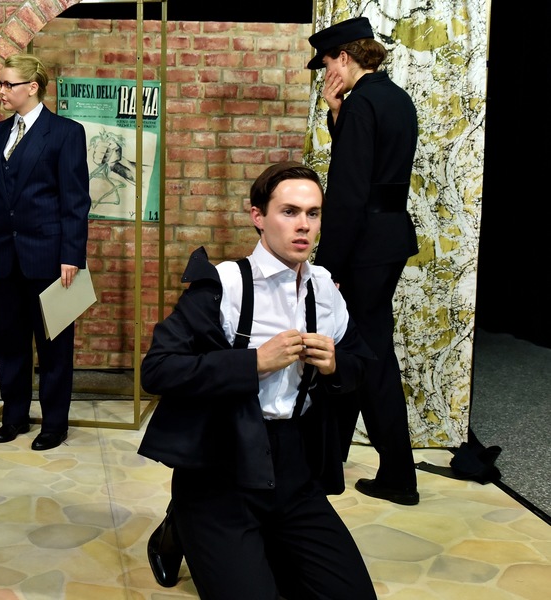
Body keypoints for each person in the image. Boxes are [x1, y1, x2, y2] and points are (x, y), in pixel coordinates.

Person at [138, 162, 377, 599]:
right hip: (219, 467)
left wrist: (336, 364)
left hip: (293, 469)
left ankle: (246, 536)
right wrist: (253, 363)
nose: (304, 225)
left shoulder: (325, 289)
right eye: (289, 212)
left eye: (313, 213)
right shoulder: (223, 285)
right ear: (258, 216)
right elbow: (158, 369)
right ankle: (183, 522)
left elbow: (363, 363)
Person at [307, 17, 420, 505]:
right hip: (389, 240)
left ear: (344, 56)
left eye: (326, 63)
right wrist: (337, 113)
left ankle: (398, 475)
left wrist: (328, 267)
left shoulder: (362, 104)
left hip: (364, 248)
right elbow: (373, 168)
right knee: (357, 347)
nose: (326, 73)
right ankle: (330, 459)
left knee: (369, 357)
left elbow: (349, 193)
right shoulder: (393, 98)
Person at [0, 54, 91, 451]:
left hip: (51, 258)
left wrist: (72, 255)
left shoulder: (66, 133)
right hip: (4, 257)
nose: (0, 91)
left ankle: (54, 424)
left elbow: (76, 200)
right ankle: (14, 417)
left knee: (55, 345)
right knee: (9, 342)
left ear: (32, 87)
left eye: (8, 84)